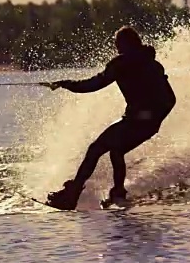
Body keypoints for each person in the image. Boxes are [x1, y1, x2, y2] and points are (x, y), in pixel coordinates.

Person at [39, 25, 176, 210]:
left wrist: (66, 84)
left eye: (118, 44)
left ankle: (72, 195)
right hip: (148, 125)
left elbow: (95, 83)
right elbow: (171, 99)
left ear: (127, 44)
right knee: (116, 151)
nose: (117, 48)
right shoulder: (153, 64)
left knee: (96, 149)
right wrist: (155, 119)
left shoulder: (122, 63)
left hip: (136, 122)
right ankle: (118, 193)